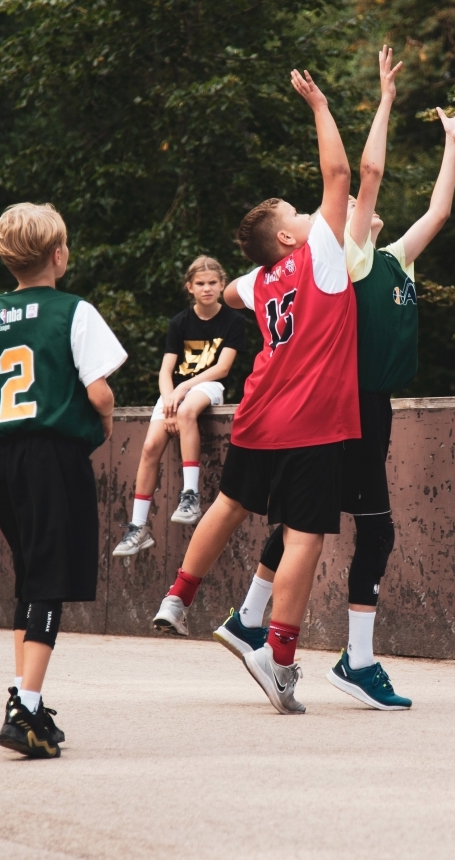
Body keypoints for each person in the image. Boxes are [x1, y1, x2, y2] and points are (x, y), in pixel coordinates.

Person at [214, 56, 455, 710]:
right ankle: (354, 660)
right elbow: (366, 173)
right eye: (358, 210)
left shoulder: (393, 261)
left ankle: (251, 617)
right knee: (371, 529)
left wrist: (453, 143)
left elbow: (440, 212)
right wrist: (386, 98)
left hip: (370, 407)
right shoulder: (349, 254)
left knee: (313, 519)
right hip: (348, 407)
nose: (367, 210)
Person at [152, 67, 360, 716]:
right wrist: (321, 106)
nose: (309, 211)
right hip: (314, 418)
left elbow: (240, 287)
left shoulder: (259, 281)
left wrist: (261, 259)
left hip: (259, 410)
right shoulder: (320, 253)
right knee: (304, 537)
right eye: (296, 215)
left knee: (231, 504)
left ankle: (179, 595)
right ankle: (281, 657)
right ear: (294, 237)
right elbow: (340, 178)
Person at [0, 203, 126, 758]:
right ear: (59, 255)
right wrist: (104, 426)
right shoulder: (74, 310)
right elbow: (99, 390)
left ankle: (31, 704)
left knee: (30, 575)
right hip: (53, 456)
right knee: (48, 580)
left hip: (3, 460)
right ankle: (24, 707)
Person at [113, 256, 245, 556]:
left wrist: (182, 392)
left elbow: (222, 368)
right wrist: (169, 399)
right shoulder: (179, 322)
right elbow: (164, 371)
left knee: (187, 411)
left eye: (213, 283)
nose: (207, 288)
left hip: (206, 387)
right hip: (175, 392)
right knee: (149, 448)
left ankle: (191, 496)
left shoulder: (234, 321)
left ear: (222, 285)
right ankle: (138, 527)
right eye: (200, 283)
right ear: (190, 287)